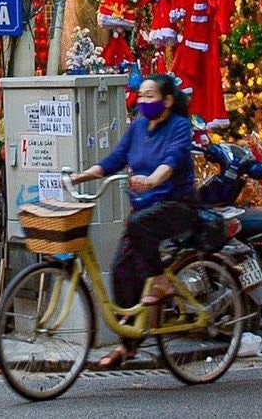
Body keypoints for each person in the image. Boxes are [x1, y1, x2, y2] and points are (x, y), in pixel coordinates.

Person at [68, 75, 196, 370]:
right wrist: (81, 176)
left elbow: (172, 160)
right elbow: (115, 159)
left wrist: (152, 180)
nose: (143, 102)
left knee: (139, 226)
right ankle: (127, 345)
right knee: (121, 272)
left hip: (176, 206)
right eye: (140, 96)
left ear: (167, 101)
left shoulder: (178, 127)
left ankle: (162, 282)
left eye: (150, 96)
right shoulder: (138, 126)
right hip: (143, 211)